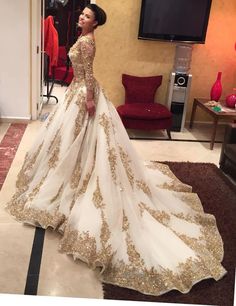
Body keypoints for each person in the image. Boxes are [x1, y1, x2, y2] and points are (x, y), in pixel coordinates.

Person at [6, 4, 226, 297]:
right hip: (79, 92)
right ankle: (71, 175)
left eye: (87, 16)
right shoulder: (85, 38)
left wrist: (89, 102)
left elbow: (87, 73)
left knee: (81, 143)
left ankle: (74, 181)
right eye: (82, 14)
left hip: (84, 95)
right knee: (69, 143)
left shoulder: (86, 41)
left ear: (95, 23)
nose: (82, 18)